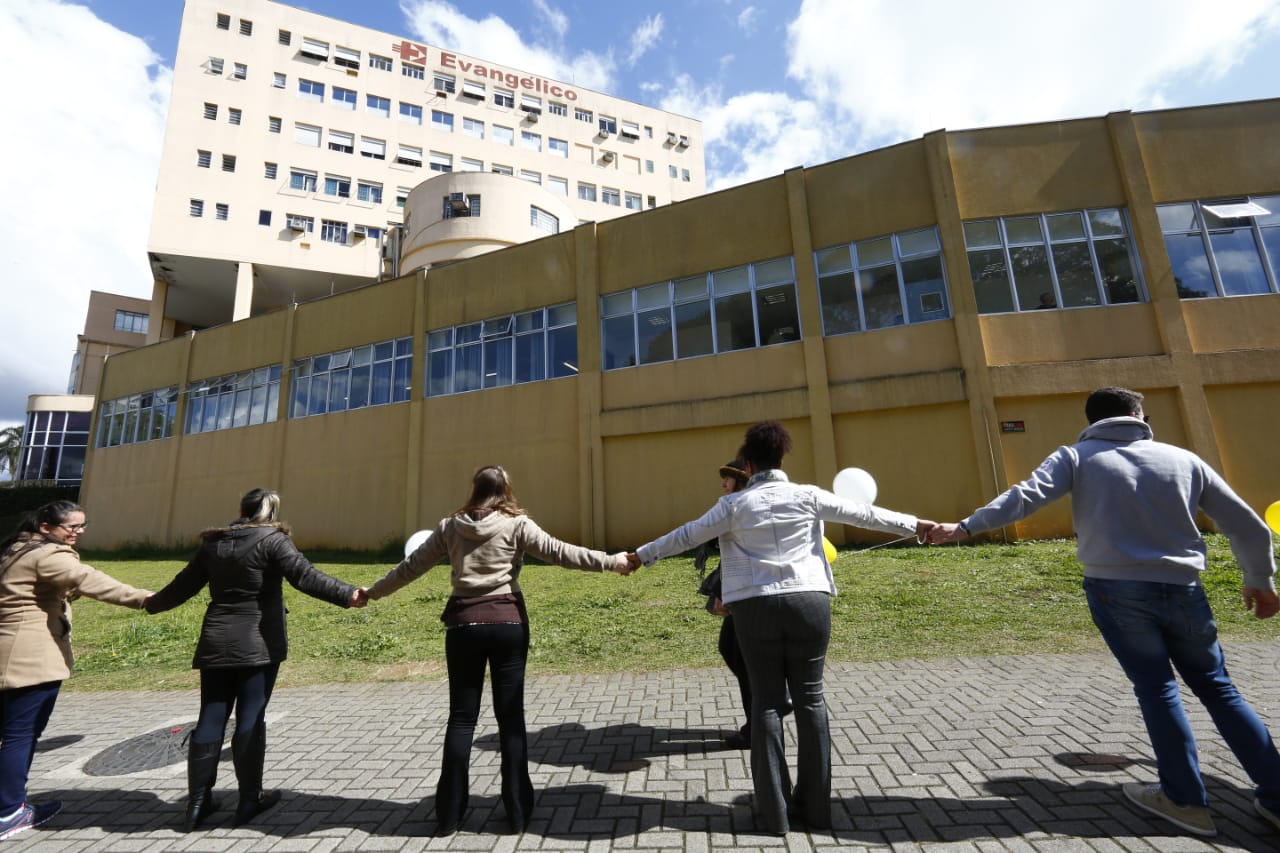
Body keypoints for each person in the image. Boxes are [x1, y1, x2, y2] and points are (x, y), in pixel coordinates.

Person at [929, 387, 1280, 838]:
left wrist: (965, 527)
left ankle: (1185, 800)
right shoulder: (1182, 459)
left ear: (1092, 419)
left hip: (1116, 590)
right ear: (1139, 415)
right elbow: (1246, 522)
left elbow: (1025, 496)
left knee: (1157, 691)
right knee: (1219, 689)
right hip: (1185, 590)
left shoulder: (1076, 457)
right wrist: (1260, 579)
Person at [628, 422, 935, 835]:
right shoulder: (807, 495)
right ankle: (817, 811)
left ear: (749, 464)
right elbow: (865, 513)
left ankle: (774, 814)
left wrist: (639, 556)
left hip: (755, 608)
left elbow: (685, 535)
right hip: (809, 602)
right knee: (811, 700)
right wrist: (920, 525)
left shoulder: (733, 506)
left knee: (767, 703)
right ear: (782, 458)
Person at [364, 465, 633, 836]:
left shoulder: (450, 526)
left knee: (461, 719)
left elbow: (411, 567)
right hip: (508, 624)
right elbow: (560, 552)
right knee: (510, 718)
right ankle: (518, 811)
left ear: (474, 489)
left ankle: (448, 815)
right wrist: (611, 561)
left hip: (463, 626)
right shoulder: (516, 524)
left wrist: (372, 592)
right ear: (506, 489)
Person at [145, 488, 365, 832]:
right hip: (257, 643)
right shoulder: (273, 540)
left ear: (242, 510)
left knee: (210, 717)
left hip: (216, 640)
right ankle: (250, 800)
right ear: (273, 513)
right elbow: (304, 576)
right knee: (250, 717)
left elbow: (182, 586)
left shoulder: (213, 543)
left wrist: (150, 603)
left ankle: (197, 804)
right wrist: (348, 594)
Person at [0, 501, 152, 841]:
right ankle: (9, 812)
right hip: (31, 659)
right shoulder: (50, 555)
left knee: (8, 734)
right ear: (45, 526)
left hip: (7, 650)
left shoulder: (16, 548)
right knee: (20, 736)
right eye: (71, 527)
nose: (78, 532)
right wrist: (146, 598)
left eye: (82, 526)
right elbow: (89, 580)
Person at [695, 458, 790, 749]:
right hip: (744, 591)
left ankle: (765, 714)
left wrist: (723, 593)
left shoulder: (741, 508)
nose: (724, 484)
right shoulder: (738, 506)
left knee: (742, 657)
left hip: (748, 593)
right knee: (736, 653)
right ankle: (768, 706)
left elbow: (741, 556)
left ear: (742, 480)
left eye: (728, 479)